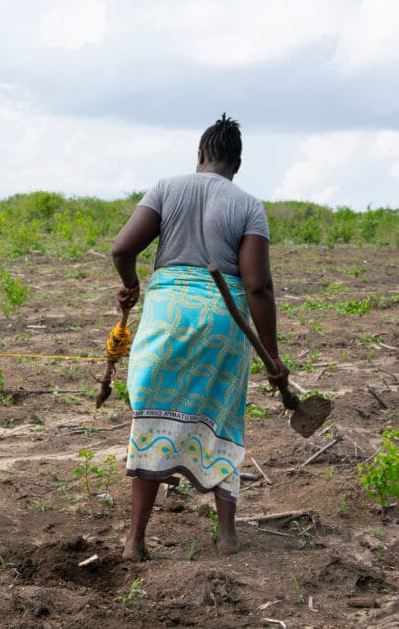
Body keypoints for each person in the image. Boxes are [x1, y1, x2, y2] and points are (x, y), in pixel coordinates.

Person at [110, 113, 289, 560]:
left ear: (200, 156)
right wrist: (273, 356)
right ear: (237, 164)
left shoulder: (166, 188)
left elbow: (122, 248)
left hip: (166, 317)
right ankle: (227, 536)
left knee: (152, 415)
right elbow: (258, 288)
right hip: (223, 321)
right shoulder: (248, 206)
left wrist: (131, 284)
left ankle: (134, 540)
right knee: (223, 416)